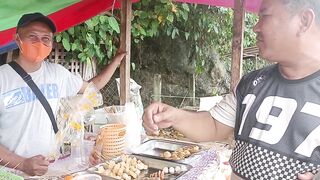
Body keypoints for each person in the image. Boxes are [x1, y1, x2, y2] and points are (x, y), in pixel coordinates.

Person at [143, 0, 320, 179]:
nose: (256, 27)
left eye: (265, 16)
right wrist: (174, 116)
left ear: (304, 20)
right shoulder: (252, 83)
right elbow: (214, 125)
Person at [0, 12, 126, 176]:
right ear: (18, 39)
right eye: (33, 36)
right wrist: (22, 164)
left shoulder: (57, 74)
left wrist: (116, 61)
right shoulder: (2, 78)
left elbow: (93, 87)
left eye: (46, 38)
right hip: (10, 174)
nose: (40, 43)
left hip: (50, 171)